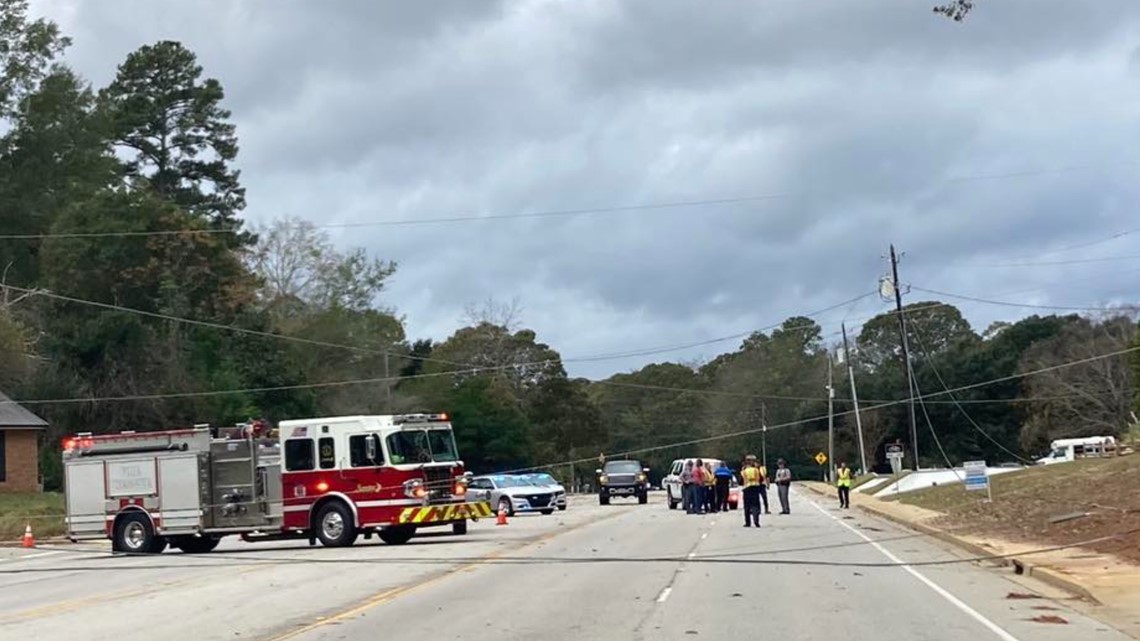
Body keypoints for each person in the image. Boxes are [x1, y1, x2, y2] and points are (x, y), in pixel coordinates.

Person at [740, 456, 762, 527]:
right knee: (755, 504)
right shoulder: (756, 470)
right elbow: (760, 479)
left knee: (747, 506)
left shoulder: (744, 471)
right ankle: (756, 520)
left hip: (747, 488)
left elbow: (741, 481)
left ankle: (748, 522)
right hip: (755, 488)